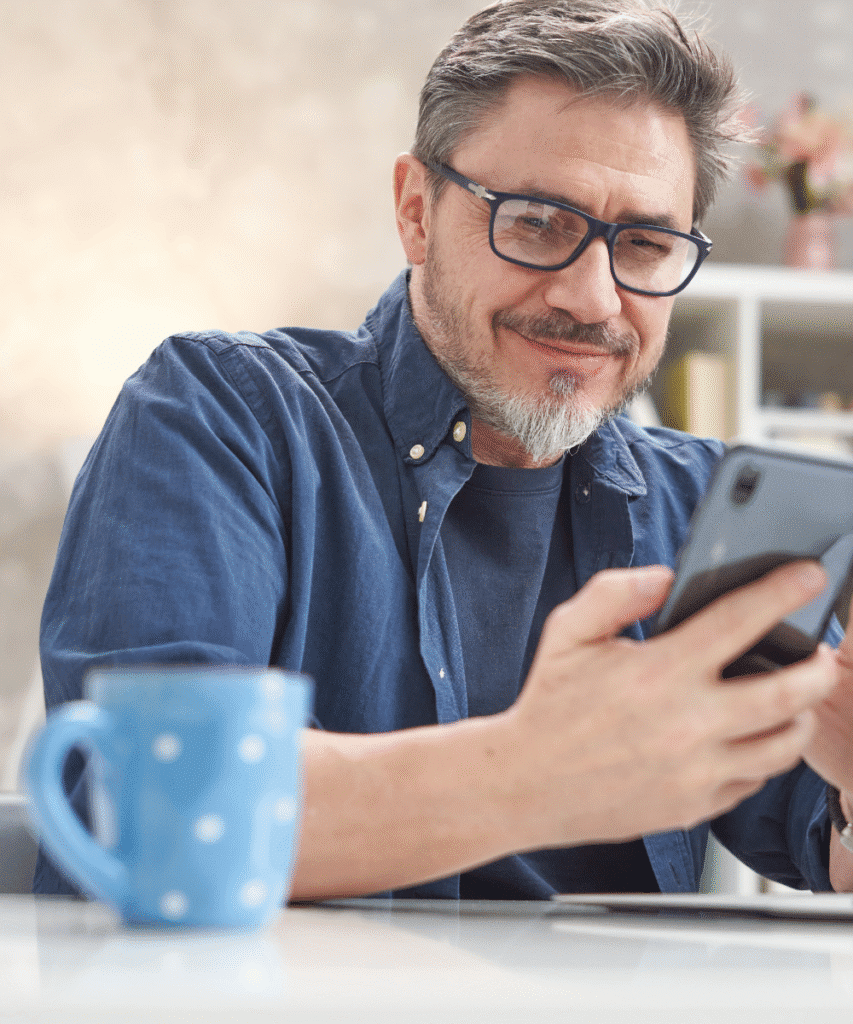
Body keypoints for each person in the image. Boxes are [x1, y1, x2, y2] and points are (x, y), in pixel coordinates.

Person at [36, 0, 853, 901]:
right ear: (416, 211)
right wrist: (543, 771)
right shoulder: (222, 415)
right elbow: (153, 814)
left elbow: (828, 853)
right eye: (537, 222)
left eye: (647, 244)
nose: (593, 298)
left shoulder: (698, 504)